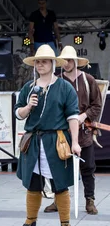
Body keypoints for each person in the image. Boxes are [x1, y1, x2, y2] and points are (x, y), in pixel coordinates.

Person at [12, 45, 80, 226]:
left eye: (44, 61)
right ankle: (30, 223)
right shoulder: (28, 88)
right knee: (33, 184)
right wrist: (28, 106)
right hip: (33, 140)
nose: (40, 64)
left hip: (56, 140)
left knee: (60, 184)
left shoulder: (64, 87)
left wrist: (75, 142)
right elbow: (18, 113)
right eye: (37, 61)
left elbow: (73, 116)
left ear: (52, 63)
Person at [43, 46, 102, 215]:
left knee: (88, 167)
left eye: (69, 60)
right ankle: (58, 200)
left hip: (84, 132)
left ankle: (90, 200)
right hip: (62, 133)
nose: (67, 63)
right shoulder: (56, 81)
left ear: (76, 61)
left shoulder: (88, 79)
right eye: (64, 60)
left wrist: (83, 116)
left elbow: (97, 105)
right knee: (59, 167)